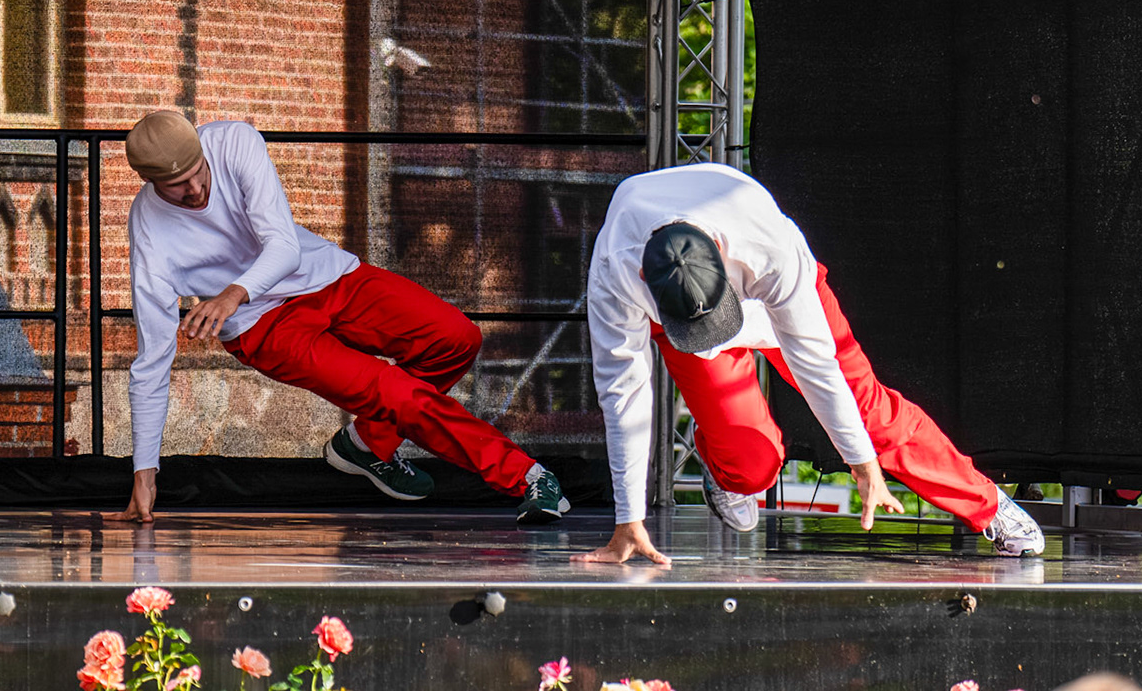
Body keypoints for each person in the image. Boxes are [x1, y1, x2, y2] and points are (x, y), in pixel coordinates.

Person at [105, 110, 569, 525]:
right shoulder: (150, 234)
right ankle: (527, 477)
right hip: (266, 329)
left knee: (456, 337)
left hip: (323, 274)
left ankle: (364, 444)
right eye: (177, 186)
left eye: (197, 173)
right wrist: (145, 472)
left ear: (204, 151)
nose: (196, 190)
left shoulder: (235, 143)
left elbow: (283, 248)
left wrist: (231, 293)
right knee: (397, 394)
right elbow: (153, 361)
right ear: (149, 182)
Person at [578, 162, 1046, 567]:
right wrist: (628, 521)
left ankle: (986, 505)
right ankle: (724, 471)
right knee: (752, 465)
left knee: (869, 412)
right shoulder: (613, 272)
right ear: (643, 276)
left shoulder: (768, 242)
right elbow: (625, 397)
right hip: (689, 325)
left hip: (779, 299)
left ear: (721, 253)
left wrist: (862, 462)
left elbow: (818, 367)